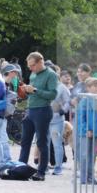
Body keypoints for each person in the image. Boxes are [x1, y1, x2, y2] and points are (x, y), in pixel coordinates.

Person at [19, 52, 58, 180]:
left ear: (41, 61)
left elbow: (52, 94)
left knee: (42, 142)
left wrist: (34, 90)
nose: (30, 68)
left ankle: (41, 172)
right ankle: (21, 167)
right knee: (25, 141)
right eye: (29, 66)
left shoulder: (51, 75)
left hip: (43, 110)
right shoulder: (33, 74)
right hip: (30, 109)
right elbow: (32, 93)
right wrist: (26, 91)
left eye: (33, 65)